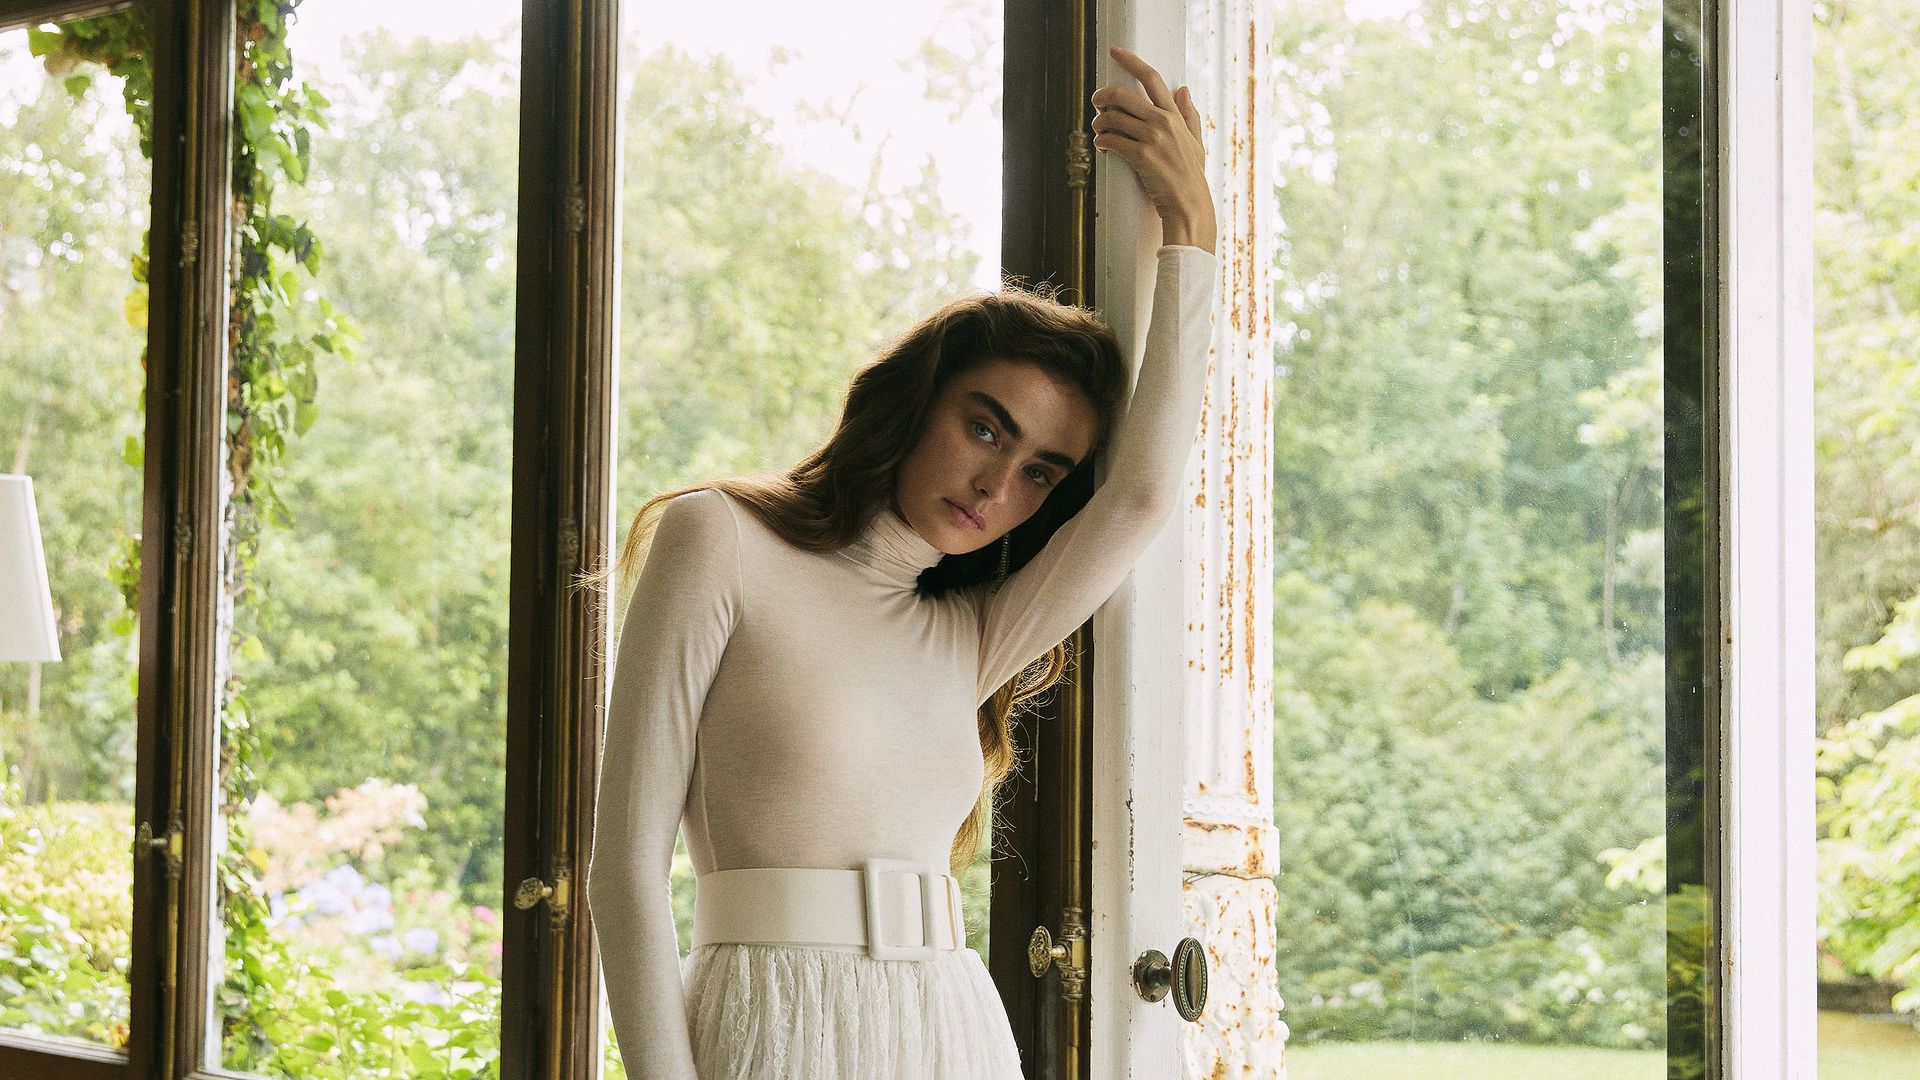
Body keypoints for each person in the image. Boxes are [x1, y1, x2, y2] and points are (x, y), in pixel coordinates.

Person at [583, 44, 1219, 1079]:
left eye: (1041, 472)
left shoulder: (972, 631)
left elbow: (1144, 497)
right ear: (917, 398)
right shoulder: (721, 541)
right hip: (769, 1020)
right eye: (985, 427)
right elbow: (623, 866)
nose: (996, 484)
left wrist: (1193, 237)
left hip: (950, 1024)